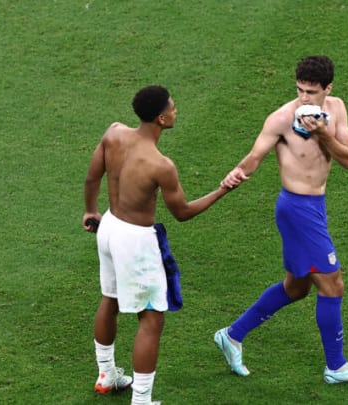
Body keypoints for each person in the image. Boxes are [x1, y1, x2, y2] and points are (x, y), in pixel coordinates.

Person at [215, 55, 348, 384]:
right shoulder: (281, 119)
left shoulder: (337, 109)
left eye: (311, 92)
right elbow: (255, 155)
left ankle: (232, 335)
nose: (304, 98)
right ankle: (336, 367)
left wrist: (322, 133)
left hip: (316, 206)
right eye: (300, 90)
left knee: (297, 287)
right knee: (333, 285)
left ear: (327, 89)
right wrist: (236, 173)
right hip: (296, 210)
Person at [83, 85, 231, 404]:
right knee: (151, 319)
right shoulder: (161, 164)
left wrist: (90, 210)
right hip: (135, 240)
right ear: (162, 118)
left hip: (109, 227)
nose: (177, 111)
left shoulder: (114, 133)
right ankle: (142, 400)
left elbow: (92, 176)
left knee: (109, 298)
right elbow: (183, 213)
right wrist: (222, 191)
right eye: (173, 108)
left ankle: (106, 374)